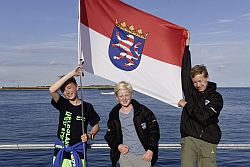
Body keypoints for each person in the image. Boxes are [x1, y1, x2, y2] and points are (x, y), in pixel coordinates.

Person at [178, 31, 223, 167]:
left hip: (209, 140)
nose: (198, 85)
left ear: (207, 78)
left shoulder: (216, 98)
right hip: (189, 139)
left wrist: (186, 105)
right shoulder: (191, 92)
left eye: (201, 81)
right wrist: (186, 47)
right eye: (195, 82)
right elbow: (185, 70)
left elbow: (203, 117)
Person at [49, 66, 100, 167]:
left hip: (78, 153)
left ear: (77, 87)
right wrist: (72, 73)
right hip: (61, 153)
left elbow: (96, 126)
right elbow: (52, 90)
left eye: (69, 87)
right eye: (63, 90)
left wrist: (90, 136)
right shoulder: (62, 103)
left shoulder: (87, 107)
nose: (67, 92)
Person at [104, 81, 160, 167]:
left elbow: (154, 131)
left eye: (126, 95)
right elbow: (109, 135)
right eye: (121, 96)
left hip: (144, 155)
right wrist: (118, 146)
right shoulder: (114, 114)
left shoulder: (143, 111)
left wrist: (150, 149)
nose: (124, 99)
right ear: (116, 97)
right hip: (125, 156)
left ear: (131, 95)